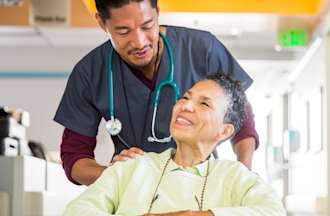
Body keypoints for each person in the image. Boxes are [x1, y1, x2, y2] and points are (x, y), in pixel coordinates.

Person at [54, 0, 259, 186]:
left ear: (158, 12)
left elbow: (240, 115)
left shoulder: (201, 49)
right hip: (133, 193)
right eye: (124, 31)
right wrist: (115, 175)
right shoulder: (89, 73)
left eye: (147, 26)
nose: (140, 42)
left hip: (200, 186)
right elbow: (74, 157)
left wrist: (243, 174)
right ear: (101, 23)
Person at [63, 74, 285, 216]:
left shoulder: (234, 176)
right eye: (186, 97)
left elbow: (272, 211)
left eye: (204, 103)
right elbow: (77, 211)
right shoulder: (132, 167)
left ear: (224, 131)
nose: (186, 106)